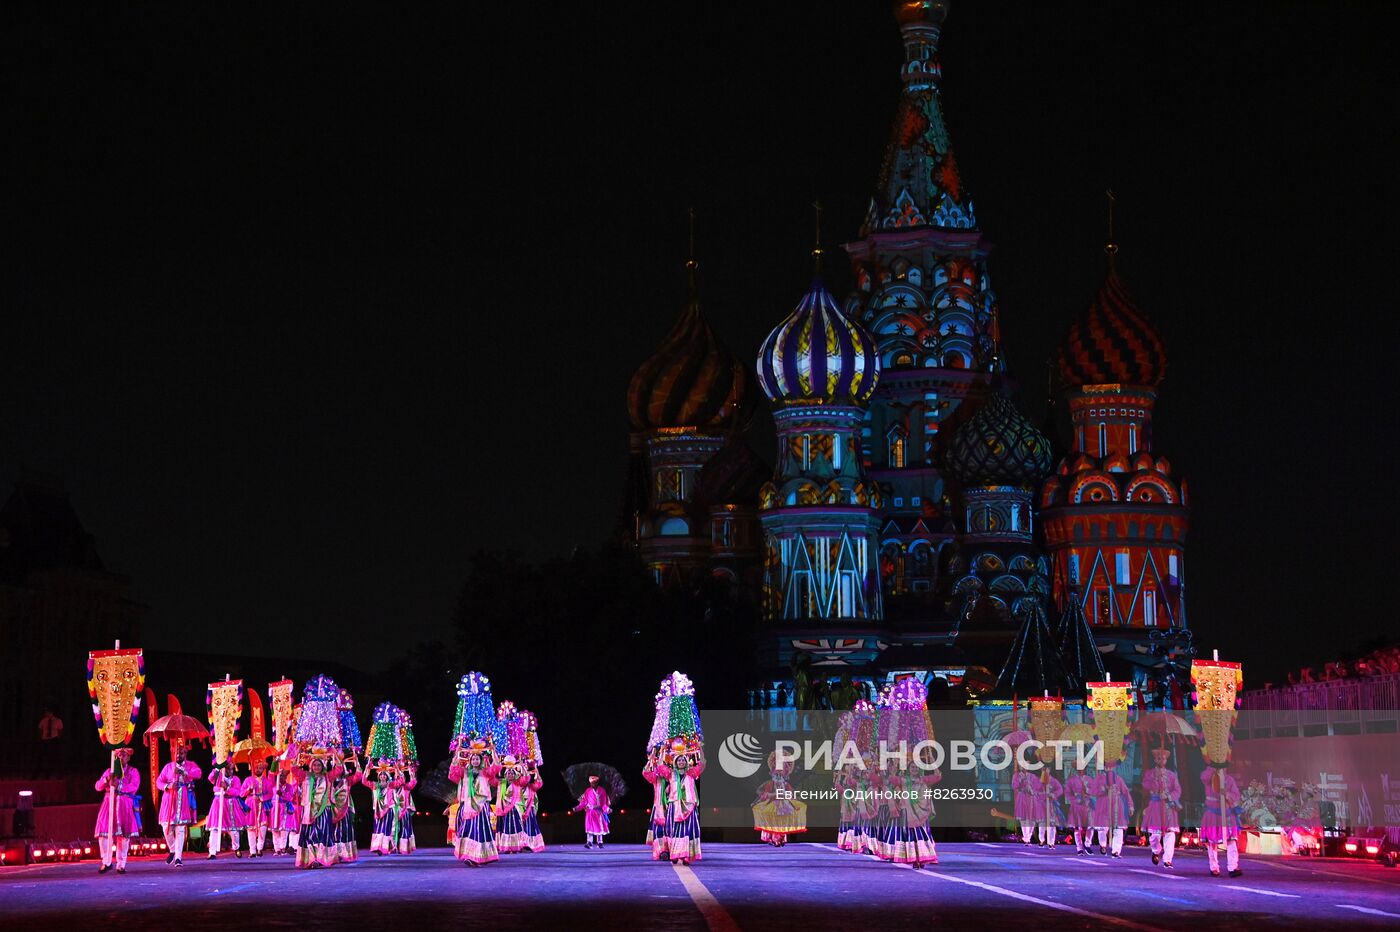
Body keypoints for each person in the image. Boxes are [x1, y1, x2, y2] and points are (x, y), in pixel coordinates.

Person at [448, 738, 499, 866]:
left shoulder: (486, 772)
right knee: (468, 829)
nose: (475, 761)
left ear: (481, 760)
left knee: (481, 830)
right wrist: (457, 754)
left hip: (482, 805)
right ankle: (469, 856)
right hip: (469, 805)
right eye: (473, 759)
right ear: (470, 761)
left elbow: (497, 767)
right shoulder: (465, 772)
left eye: (477, 759)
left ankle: (481, 856)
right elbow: (452, 772)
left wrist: (493, 752)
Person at [294, 753, 349, 869]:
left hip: (324, 810)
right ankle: (312, 858)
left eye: (319, 765)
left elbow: (339, 768)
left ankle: (321, 858)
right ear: (311, 766)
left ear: (323, 766)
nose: (317, 767)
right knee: (309, 835)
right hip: (309, 811)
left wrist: (334, 754)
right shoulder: (306, 776)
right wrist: (298, 754)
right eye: (314, 765)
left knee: (322, 834)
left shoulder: (328, 776)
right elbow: (294, 769)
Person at [93, 748, 141, 874]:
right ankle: (106, 861)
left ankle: (121, 864)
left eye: (124, 755)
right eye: (119, 755)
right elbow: (98, 787)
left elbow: (134, 786)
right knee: (104, 833)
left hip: (124, 804)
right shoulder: (110, 771)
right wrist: (106, 780)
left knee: (123, 836)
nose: (121, 757)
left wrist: (119, 785)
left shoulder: (133, 771)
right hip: (109, 803)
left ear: (128, 757)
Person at [658, 737, 704, 865]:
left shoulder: (691, 773)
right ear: (675, 762)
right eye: (679, 760)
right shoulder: (671, 774)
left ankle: (686, 856)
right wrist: (662, 751)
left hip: (689, 807)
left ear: (686, 762)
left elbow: (703, 764)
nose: (682, 762)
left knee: (688, 831)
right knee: (675, 830)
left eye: (684, 760)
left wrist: (700, 748)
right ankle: (675, 854)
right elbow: (660, 766)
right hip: (675, 806)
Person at [155, 744, 201, 866]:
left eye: (181, 753)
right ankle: (173, 849)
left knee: (180, 829)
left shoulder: (190, 765)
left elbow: (198, 774)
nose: (179, 755)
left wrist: (184, 772)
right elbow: (159, 781)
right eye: (177, 753)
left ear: (185, 754)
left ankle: (178, 858)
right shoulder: (168, 767)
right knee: (166, 827)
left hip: (183, 797)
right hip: (169, 798)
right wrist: (168, 786)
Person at [752, 751, 806, 846]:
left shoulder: (785, 784)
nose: (780, 770)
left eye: (783, 768)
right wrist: (774, 794)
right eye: (777, 767)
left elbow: (791, 794)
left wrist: (787, 795)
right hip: (773, 802)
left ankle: (781, 838)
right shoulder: (770, 783)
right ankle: (774, 838)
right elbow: (765, 794)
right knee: (773, 819)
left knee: (782, 820)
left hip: (783, 803)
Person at [1141, 749, 1181, 869]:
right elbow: (1145, 785)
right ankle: (1156, 849)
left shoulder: (1171, 775)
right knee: (1154, 835)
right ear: (1155, 760)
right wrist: (1155, 780)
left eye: (1163, 758)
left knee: (1170, 834)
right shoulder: (1150, 774)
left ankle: (1168, 859)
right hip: (1155, 806)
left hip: (1168, 807)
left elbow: (1177, 790)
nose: (1161, 760)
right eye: (1159, 758)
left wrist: (1168, 796)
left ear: (1166, 760)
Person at [1201, 766, 1243, 877]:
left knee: (1231, 841)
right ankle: (1214, 867)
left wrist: (1227, 794)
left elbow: (1236, 795)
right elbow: (1204, 777)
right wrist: (1214, 769)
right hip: (1212, 815)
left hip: (1227, 814)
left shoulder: (1229, 779)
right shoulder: (1208, 777)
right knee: (1212, 843)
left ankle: (1233, 867)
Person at [1090, 763, 1134, 857]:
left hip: (1117, 806)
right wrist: (1103, 790)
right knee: (1103, 828)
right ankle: (1103, 844)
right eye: (1107, 766)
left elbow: (1126, 792)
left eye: (1111, 766)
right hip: (1103, 805)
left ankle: (1116, 851)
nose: (1109, 768)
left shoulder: (1118, 779)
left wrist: (1130, 805)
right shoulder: (1099, 778)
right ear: (1104, 767)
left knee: (1118, 828)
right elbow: (1092, 791)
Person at [206, 761, 243, 858]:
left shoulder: (235, 779)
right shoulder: (219, 776)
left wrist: (227, 789)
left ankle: (236, 848)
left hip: (231, 805)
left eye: (232, 769)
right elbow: (210, 778)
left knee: (233, 830)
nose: (230, 771)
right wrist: (217, 768)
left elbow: (237, 792)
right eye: (228, 768)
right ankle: (212, 852)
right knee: (214, 829)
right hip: (218, 803)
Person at [240, 758, 276, 858]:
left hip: (262, 805)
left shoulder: (267, 781)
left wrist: (261, 797)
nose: (258, 770)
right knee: (250, 829)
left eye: (260, 768)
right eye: (256, 768)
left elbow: (270, 793)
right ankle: (252, 851)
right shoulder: (248, 780)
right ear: (253, 769)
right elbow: (241, 793)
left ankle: (259, 848)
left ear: (263, 769)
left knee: (262, 827)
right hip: (250, 805)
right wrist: (249, 789)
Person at [1065, 756, 1096, 856]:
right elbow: (1067, 792)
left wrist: (1089, 792)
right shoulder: (1072, 780)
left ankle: (1087, 844)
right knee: (1077, 828)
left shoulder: (1090, 779)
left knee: (1090, 826)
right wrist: (1075, 799)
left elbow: (1095, 791)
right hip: (1077, 806)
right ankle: (1079, 848)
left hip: (1087, 805)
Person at [643, 746, 671, 860]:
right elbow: (646, 772)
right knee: (660, 829)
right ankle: (662, 850)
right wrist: (653, 755)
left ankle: (674, 850)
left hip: (674, 804)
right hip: (659, 805)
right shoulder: (656, 775)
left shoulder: (673, 772)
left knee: (672, 829)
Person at [367, 760, 400, 855]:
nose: (382, 776)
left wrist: (397, 768)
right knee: (378, 828)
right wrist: (367, 769)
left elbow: (401, 780)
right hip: (378, 811)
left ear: (387, 776)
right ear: (378, 776)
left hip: (388, 810)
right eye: (381, 775)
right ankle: (377, 846)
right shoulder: (375, 785)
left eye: (384, 775)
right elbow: (364, 781)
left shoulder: (391, 785)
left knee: (386, 828)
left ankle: (384, 847)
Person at [572, 773, 612, 850]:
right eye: (591, 783)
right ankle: (589, 842)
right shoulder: (587, 791)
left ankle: (600, 842)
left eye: (594, 783)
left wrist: (607, 809)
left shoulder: (602, 790)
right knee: (589, 827)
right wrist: (577, 808)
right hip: (590, 812)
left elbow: (604, 803)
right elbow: (583, 802)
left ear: (597, 783)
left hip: (599, 812)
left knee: (599, 826)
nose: (592, 784)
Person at [268, 766, 299, 856]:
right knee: (275, 830)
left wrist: (282, 794)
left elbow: (290, 797)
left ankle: (282, 848)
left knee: (284, 830)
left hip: (285, 808)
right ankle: (276, 849)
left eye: (283, 776)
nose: (282, 778)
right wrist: (274, 763)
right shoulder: (274, 785)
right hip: (275, 809)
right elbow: (270, 774)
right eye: (280, 776)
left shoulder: (289, 787)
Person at [1033, 766, 1065, 849]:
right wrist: (1042, 795)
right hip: (1041, 806)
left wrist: (1053, 795)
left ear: (1049, 770)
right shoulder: (1038, 781)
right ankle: (1041, 840)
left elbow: (1060, 790)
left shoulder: (1053, 781)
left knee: (1051, 824)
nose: (1045, 771)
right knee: (1042, 824)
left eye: (1047, 769)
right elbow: (1035, 792)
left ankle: (1051, 842)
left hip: (1050, 805)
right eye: (1043, 769)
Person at [395, 761, 419, 854]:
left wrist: (411, 772)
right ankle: (393, 847)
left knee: (405, 829)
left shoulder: (406, 787)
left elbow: (413, 781)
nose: (400, 779)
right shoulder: (392, 788)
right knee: (395, 829)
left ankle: (404, 848)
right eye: (397, 778)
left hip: (405, 811)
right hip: (395, 811)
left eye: (402, 778)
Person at [519, 765, 544, 853]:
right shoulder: (516, 786)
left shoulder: (531, 787)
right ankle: (520, 844)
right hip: (519, 809)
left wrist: (536, 772)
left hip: (529, 809)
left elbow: (539, 783)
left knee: (529, 826)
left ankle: (530, 844)